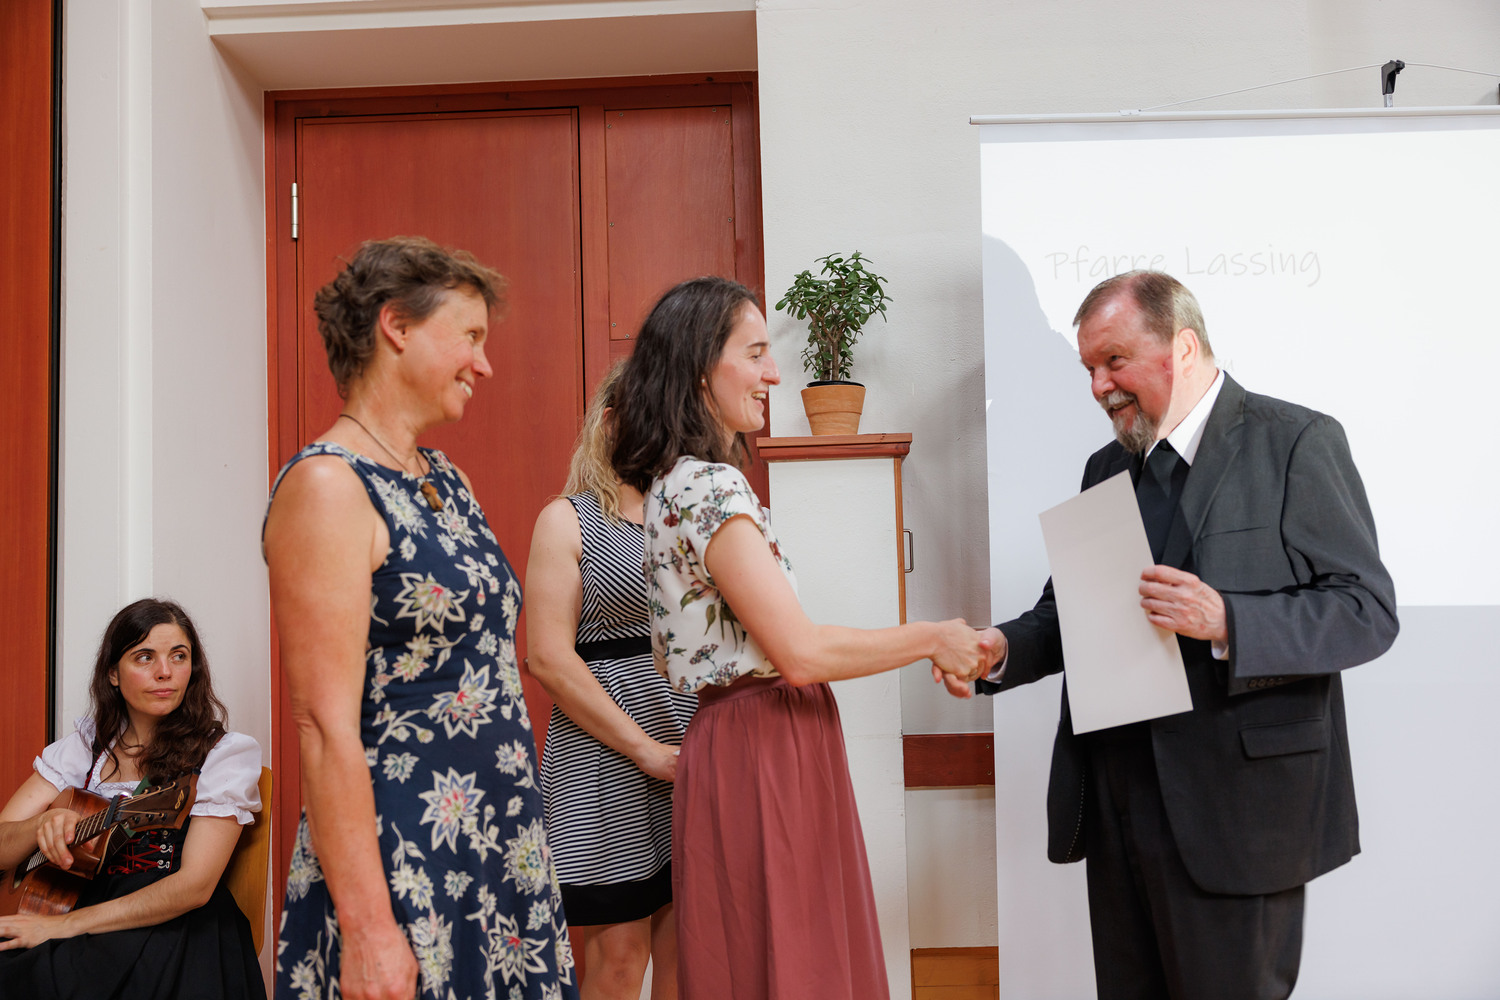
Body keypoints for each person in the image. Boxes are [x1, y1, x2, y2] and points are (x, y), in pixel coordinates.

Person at [976, 270, 1398, 1000]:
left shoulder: (1296, 442)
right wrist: (1002, 650)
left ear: (1184, 345)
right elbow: (1068, 614)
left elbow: (1367, 610)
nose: (1099, 386)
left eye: (1114, 361)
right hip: (1118, 806)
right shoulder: (1106, 467)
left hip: (1242, 816)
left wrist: (1228, 620)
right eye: (1088, 368)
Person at [609, 275, 999, 1000]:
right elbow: (800, 653)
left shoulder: (669, 486)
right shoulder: (709, 486)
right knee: (797, 961)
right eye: (755, 353)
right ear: (700, 368)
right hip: (766, 740)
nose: (774, 374)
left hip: (733, 738)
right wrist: (931, 636)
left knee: (753, 958)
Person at [264, 236, 577, 1000]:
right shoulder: (328, 487)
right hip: (402, 856)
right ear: (397, 326)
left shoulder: (446, 477)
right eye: (469, 336)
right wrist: (370, 928)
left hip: (498, 845)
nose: (484, 364)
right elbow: (322, 726)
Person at [527, 364, 695, 1000]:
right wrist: (643, 749)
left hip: (689, 749)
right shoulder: (567, 520)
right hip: (602, 759)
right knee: (620, 963)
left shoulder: (692, 516)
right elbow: (547, 656)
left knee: (686, 960)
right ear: (610, 422)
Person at [0, 598, 265, 999]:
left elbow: (194, 887)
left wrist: (61, 927)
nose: (165, 672)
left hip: (173, 924)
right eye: (145, 657)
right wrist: (40, 825)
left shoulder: (222, 754)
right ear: (112, 673)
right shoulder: (86, 748)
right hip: (78, 907)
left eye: (179, 656)